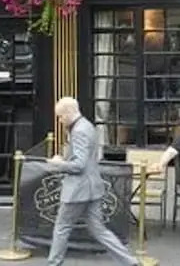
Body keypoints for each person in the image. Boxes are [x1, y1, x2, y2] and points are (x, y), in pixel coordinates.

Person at [46, 96, 138, 266]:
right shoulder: (87, 126)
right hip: (92, 188)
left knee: (62, 228)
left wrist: (59, 164)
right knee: (99, 230)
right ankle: (130, 262)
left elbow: (79, 165)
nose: (60, 120)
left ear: (69, 112)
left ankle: (53, 263)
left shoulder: (78, 131)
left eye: (60, 116)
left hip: (77, 190)